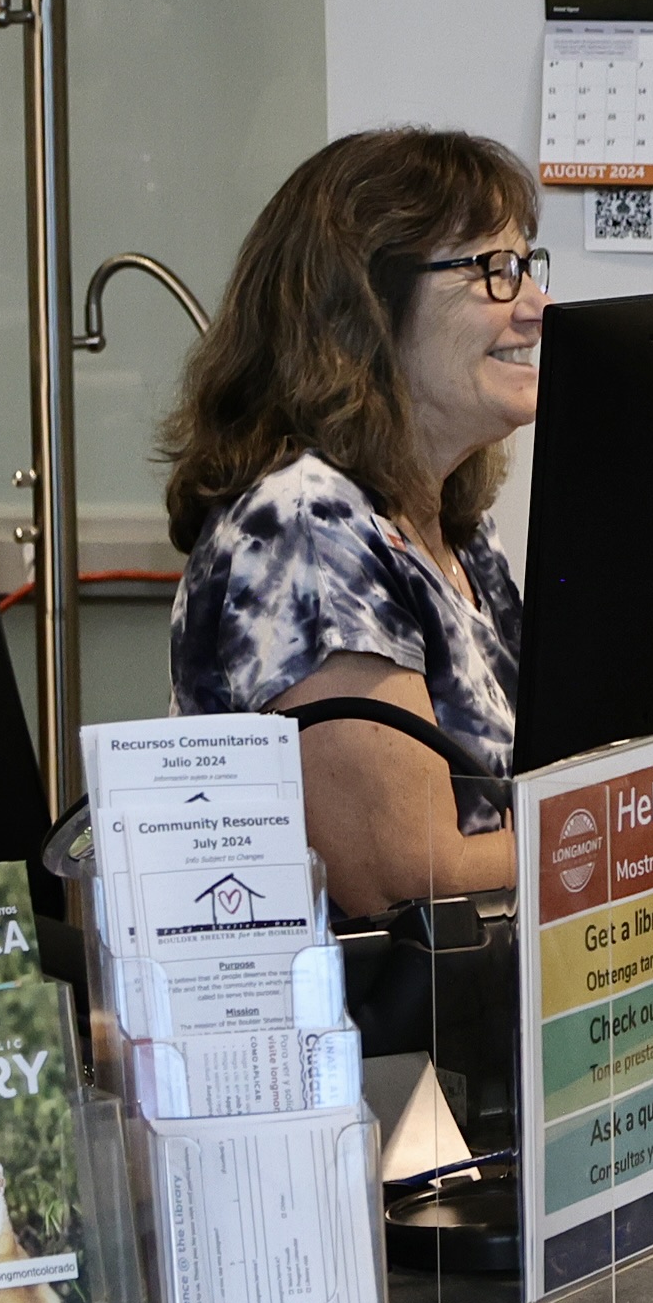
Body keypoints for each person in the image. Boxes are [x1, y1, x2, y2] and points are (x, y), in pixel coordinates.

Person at [163, 129, 549, 913]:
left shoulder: (457, 527)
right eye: (494, 272)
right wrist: (634, 837)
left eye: (528, 267)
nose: (536, 309)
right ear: (366, 306)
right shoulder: (305, 529)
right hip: (364, 1029)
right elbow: (406, 879)